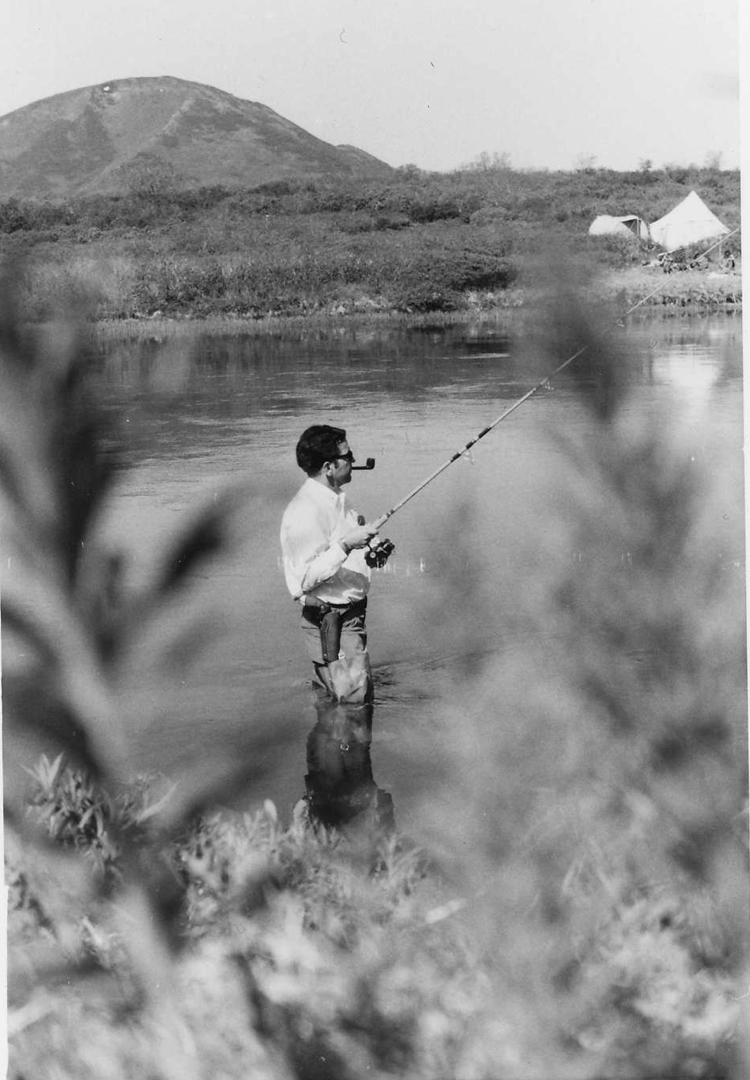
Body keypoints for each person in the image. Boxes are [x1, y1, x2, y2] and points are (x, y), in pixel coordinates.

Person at [280, 425, 385, 703]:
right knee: (355, 707)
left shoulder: (337, 499)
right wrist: (347, 544)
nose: (353, 461)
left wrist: (370, 549)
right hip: (333, 622)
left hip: (351, 618)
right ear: (328, 467)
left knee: (337, 708)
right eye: (348, 456)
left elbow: (340, 551)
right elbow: (305, 579)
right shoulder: (306, 510)